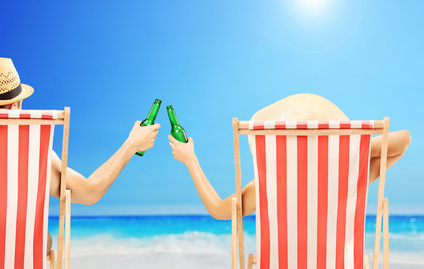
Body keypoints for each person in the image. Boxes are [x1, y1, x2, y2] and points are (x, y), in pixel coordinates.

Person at [0, 57, 161, 251]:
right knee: (39, 241)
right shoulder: (37, 155)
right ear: (18, 103)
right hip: (20, 258)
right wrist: (130, 145)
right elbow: (90, 192)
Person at [168, 93, 411, 220]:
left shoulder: (266, 189)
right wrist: (352, 148)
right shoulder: (345, 181)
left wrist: (191, 160)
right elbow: (403, 140)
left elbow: (219, 210)